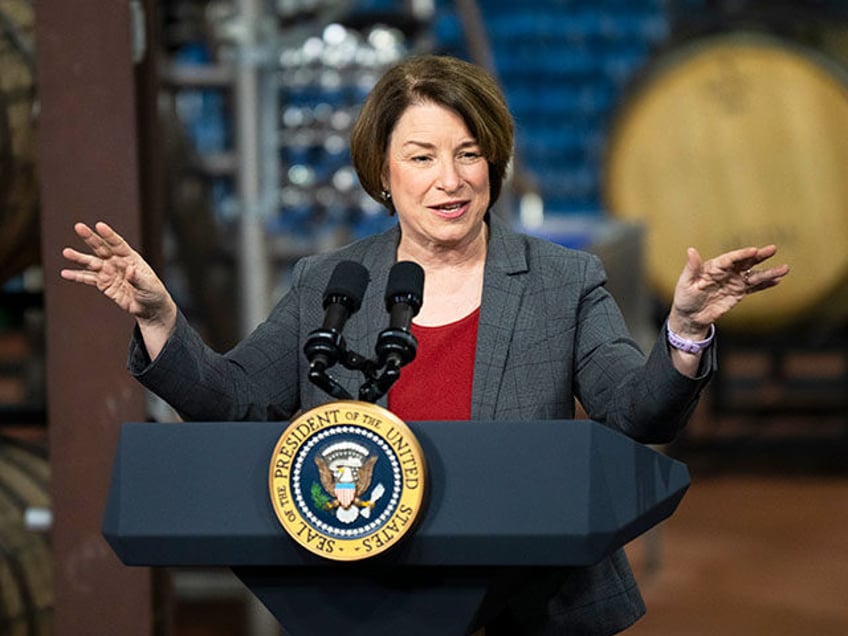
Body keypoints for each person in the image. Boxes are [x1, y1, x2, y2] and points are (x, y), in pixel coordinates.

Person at [61, 55, 789, 634]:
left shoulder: (563, 280)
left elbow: (635, 414)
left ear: (494, 162)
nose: (451, 180)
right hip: (360, 601)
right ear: (383, 171)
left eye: (469, 154)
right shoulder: (330, 283)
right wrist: (161, 318)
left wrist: (687, 329)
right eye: (422, 156)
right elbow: (237, 403)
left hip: (530, 606)